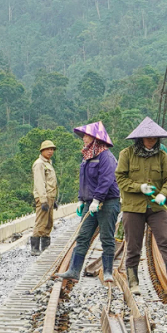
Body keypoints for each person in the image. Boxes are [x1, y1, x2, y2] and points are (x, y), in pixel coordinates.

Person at [115, 116, 167, 293]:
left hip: (157, 208)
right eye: (148, 138)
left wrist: (163, 194)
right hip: (133, 207)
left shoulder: (162, 156)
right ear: (140, 138)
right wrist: (139, 187)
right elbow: (120, 179)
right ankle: (133, 281)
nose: (152, 141)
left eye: (154, 138)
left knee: (166, 241)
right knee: (134, 245)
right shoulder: (126, 155)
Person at [58, 122, 120, 285]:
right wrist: (81, 199)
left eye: (86, 136)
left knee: (107, 237)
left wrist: (97, 199)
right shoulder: (87, 156)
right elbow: (84, 180)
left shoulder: (105, 156)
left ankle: (107, 271)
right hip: (89, 203)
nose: (84, 138)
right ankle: (74, 270)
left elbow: (106, 180)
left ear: (95, 138)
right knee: (83, 236)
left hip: (107, 202)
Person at [31, 140, 59, 256]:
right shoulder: (39, 164)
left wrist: (53, 199)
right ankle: (35, 248)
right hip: (44, 198)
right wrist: (43, 200)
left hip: (50, 197)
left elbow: (50, 183)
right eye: (48, 149)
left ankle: (45, 247)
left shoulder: (48, 163)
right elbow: (39, 183)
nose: (50, 151)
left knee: (48, 223)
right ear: (42, 151)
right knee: (41, 222)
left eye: (52, 149)